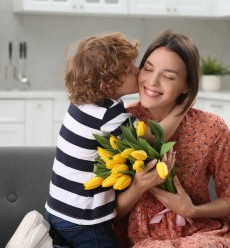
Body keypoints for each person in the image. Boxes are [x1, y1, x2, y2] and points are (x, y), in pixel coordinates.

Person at [44, 32, 185, 248]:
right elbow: (156, 135)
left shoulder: (80, 103)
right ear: (106, 85)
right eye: (129, 71)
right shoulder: (107, 114)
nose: (138, 72)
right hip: (84, 219)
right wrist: (180, 109)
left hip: (57, 209)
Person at [114, 29, 230, 248]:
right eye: (147, 69)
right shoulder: (120, 124)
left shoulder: (212, 127)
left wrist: (192, 210)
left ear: (187, 85)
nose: (153, 81)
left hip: (202, 235)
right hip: (145, 240)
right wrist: (138, 186)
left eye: (168, 76)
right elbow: (104, 213)